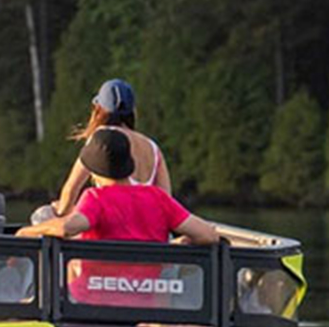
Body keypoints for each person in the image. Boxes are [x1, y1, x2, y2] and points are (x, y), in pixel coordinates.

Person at [16, 128, 219, 245]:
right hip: (149, 300)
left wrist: (25, 232)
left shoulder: (95, 198)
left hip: (91, 300)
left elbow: (67, 227)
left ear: (94, 172)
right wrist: (179, 243)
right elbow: (208, 234)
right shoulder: (159, 198)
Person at [45, 78, 169, 220]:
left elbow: (72, 188)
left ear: (98, 109)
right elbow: (166, 201)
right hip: (145, 231)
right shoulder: (153, 147)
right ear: (132, 111)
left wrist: (59, 214)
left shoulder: (102, 139)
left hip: (111, 227)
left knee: (43, 214)